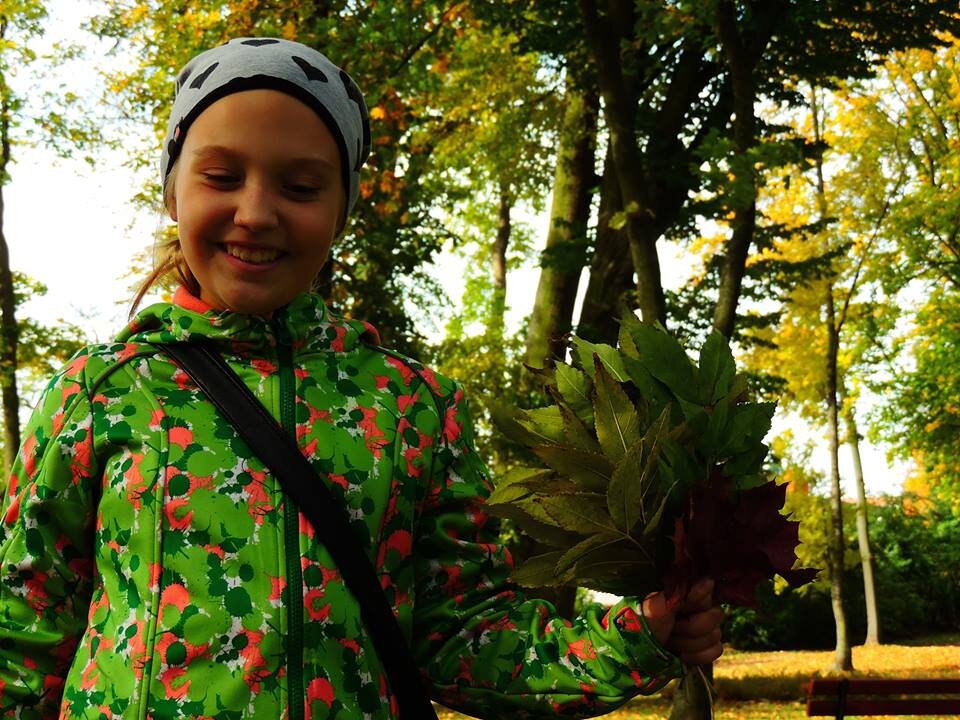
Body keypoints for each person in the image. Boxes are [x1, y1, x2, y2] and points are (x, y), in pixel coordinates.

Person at [0, 38, 722, 719]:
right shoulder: (101, 393)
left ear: (341, 209)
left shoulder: (412, 409)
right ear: (172, 190)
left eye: (301, 186)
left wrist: (636, 639)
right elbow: (21, 633)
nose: (255, 213)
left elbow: (464, 638)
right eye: (221, 177)